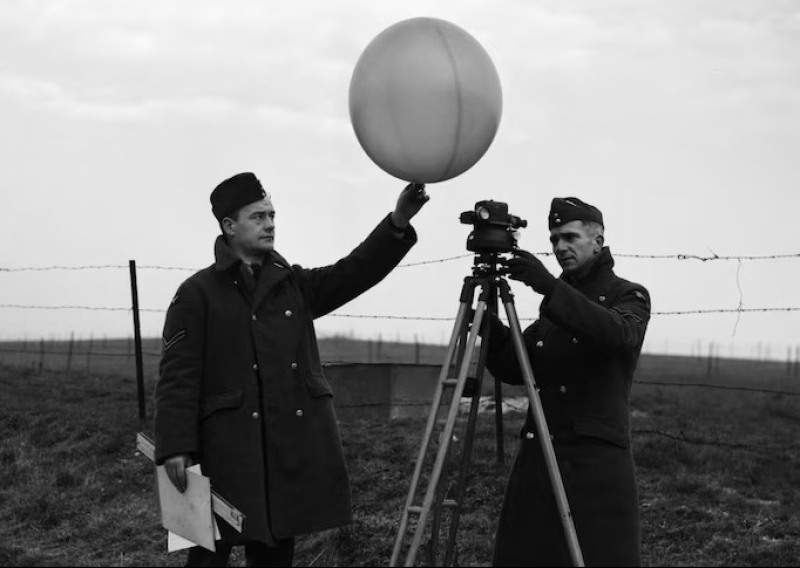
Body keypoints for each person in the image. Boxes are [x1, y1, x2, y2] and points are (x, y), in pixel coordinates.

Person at [153, 172, 429, 567]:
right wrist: (175, 447)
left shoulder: (292, 285)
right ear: (229, 226)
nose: (269, 224)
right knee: (206, 558)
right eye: (258, 216)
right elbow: (177, 378)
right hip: (220, 454)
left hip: (280, 452)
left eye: (272, 215)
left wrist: (398, 221)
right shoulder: (196, 293)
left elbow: (353, 272)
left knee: (274, 553)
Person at [482, 197, 651, 566]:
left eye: (570, 237)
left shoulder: (628, 294)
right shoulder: (556, 307)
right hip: (541, 459)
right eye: (554, 239)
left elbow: (619, 334)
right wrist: (491, 330)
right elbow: (518, 366)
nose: (560, 247)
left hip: (594, 468)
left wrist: (549, 287)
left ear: (598, 241)